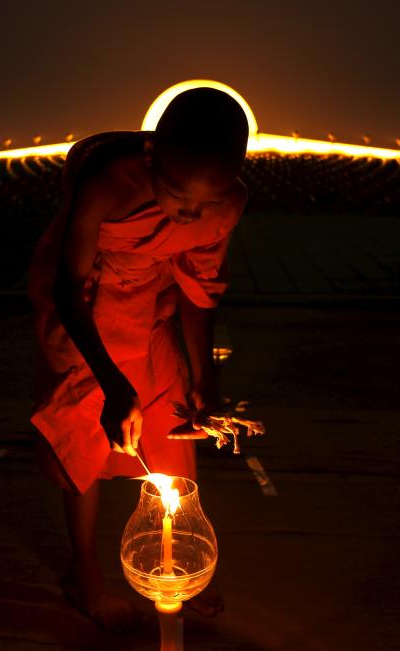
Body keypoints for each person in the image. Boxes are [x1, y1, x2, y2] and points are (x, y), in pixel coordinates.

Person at [27, 87, 249, 632]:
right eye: (176, 196)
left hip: (152, 300)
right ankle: (85, 572)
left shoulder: (227, 201)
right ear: (151, 158)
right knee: (84, 432)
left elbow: (200, 291)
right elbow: (67, 285)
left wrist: (205, 380)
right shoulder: (108, 180)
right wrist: (109, 379)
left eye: (205, 205)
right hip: (89, 302)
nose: (187, 214)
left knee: (172, 417)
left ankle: (179, 563)